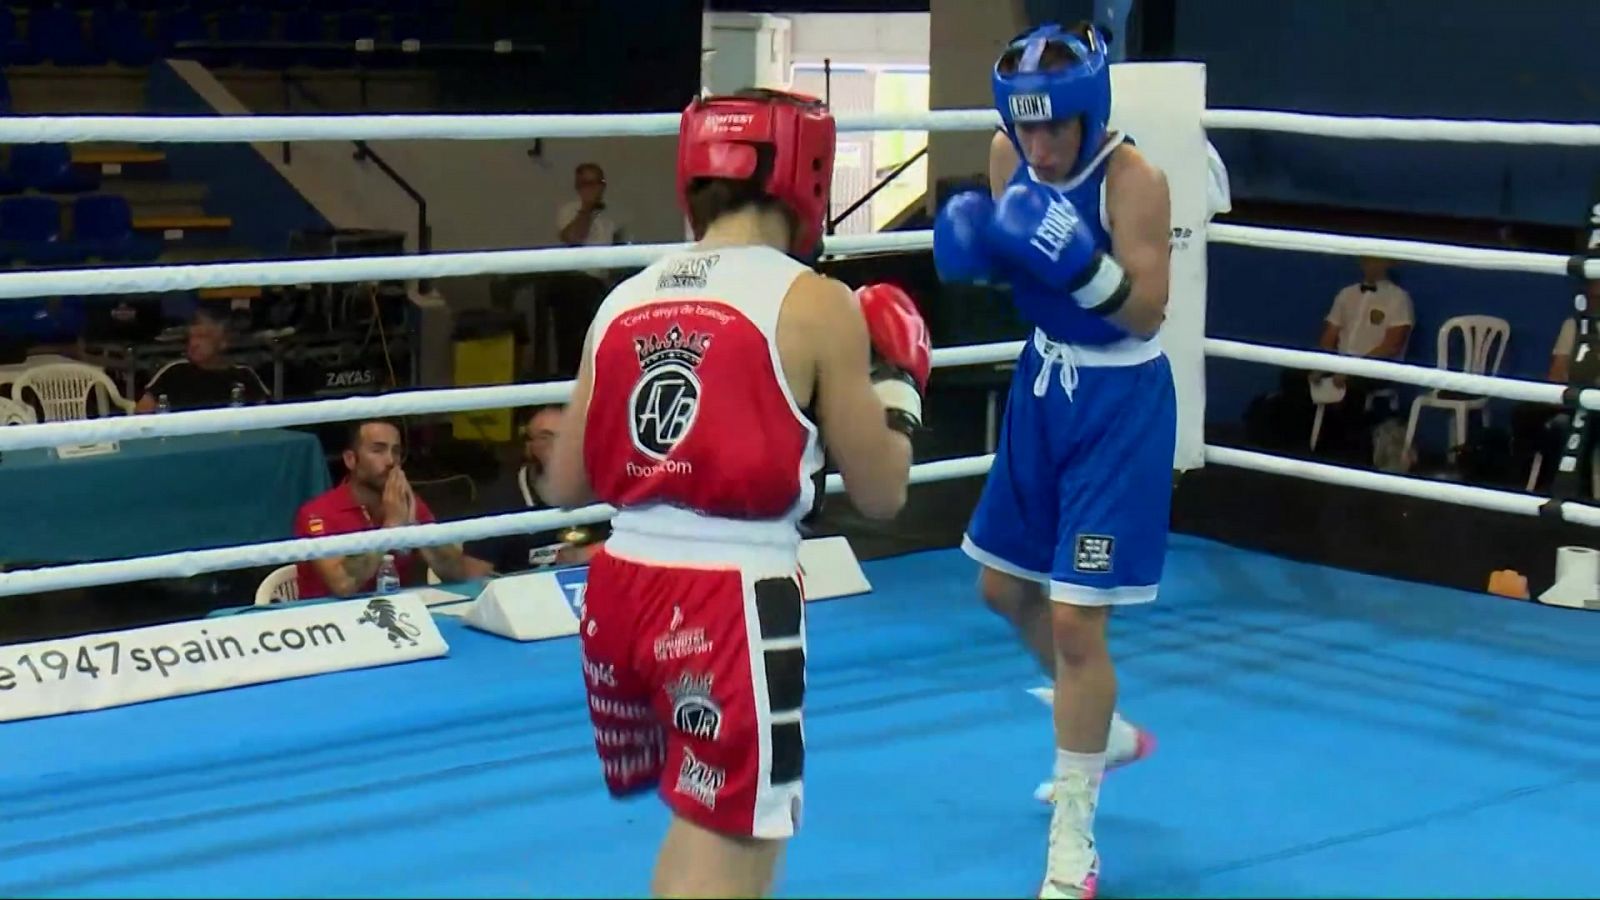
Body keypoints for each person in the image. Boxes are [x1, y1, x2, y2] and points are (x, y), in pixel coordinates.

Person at [539, 87, 931, 898]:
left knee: (702, 825)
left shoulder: (623, 298)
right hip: (728, 604)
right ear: (805, 172)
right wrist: (900, 389)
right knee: (739, 849)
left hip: (615, 595)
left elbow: (563, 482)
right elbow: (884, 492)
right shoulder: (816, 303)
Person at [933, 21, 1174, 899]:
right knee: (1001, 589)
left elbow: (1147, 311)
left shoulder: (1133, 179)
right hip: (1045, 390)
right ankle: (1100, 726)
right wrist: (993, 254)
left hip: (1119, 404)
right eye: (1027, 127)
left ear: (1089, 112)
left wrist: (1081, 264)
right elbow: (1018, 276)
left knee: (1077, 623)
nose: (1040, 144)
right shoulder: (1008, 158)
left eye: (1056, 128)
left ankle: (1074, 836)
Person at [293, 419, 492, 598]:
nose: (390, 461)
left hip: (397, 621)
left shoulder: (406, 501)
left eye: (396, 451)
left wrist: (416, 527)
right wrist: (390, 530)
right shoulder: (317, 513)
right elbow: (342, 584)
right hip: (330, 627)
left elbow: (457, 574)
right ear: (350, 460)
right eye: (378, 450)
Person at [464, 404, 609, 573]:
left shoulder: (602, 485)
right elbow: (473, 578)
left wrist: (589, 553)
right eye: (546, 437)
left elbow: (638, 542)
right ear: (529, 447)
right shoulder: (499, 501)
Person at [135, 308, 270, 413]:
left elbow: (267, 420)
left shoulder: (245, 375)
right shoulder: (174, 372)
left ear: (223, 341)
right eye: (191, 337)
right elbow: (140, 417)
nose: (194, 343)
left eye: (202, 337)